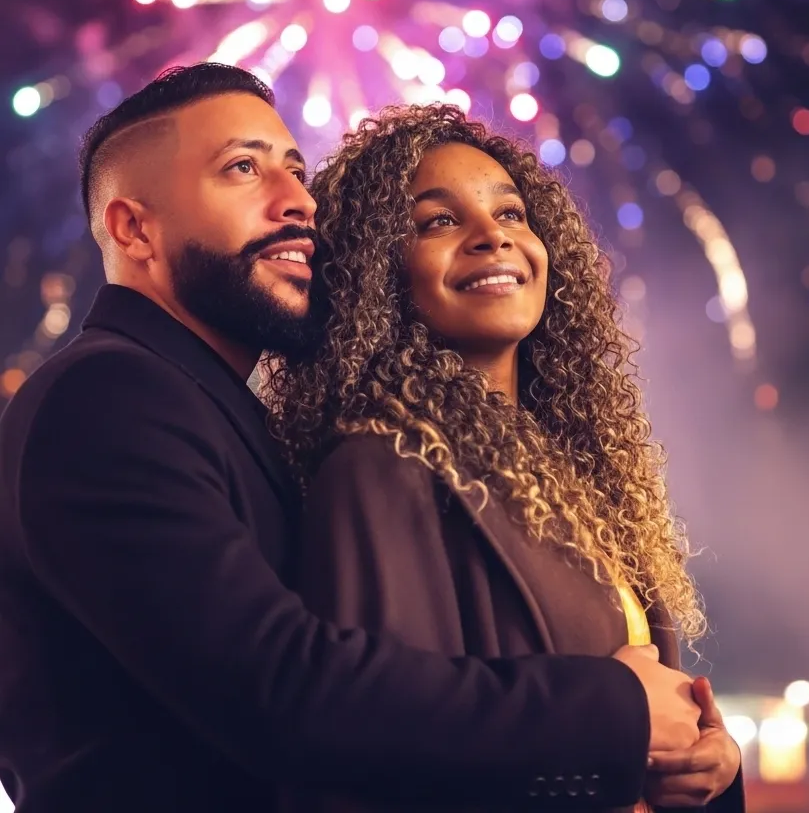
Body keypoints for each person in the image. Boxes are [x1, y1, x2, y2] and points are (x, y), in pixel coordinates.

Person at [0, 64, 709, 813]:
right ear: (133, 228)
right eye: (243, 168)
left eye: (295, 170)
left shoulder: (220, 413)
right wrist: (616, 716)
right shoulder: (106, 396)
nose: (298, 202)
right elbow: (281, 688)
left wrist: (694, 761)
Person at [264, 104, 744, 811]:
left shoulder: (575, 469)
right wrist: (616, 731)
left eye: (511, 214)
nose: (493, 237)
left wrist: (711, 764)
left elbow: (654, 725)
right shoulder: (380, 468)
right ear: (377, 273)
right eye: (438, 221)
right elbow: (385, 750)